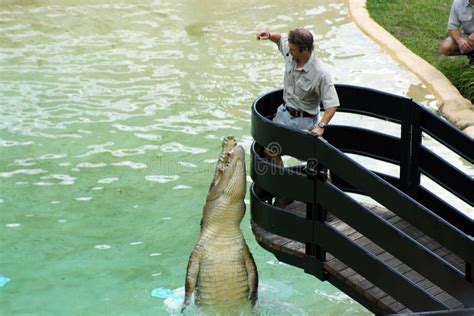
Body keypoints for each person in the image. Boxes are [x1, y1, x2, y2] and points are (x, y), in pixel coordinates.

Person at [256, 28, 340, 208]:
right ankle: (284, 192)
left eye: (293, 49)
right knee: (270, 150)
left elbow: (332, 104)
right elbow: (281, 39)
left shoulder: (321, 73)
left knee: (317, 164)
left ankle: (330, 203)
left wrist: (321, 125)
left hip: (306, 121)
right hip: (284, 115)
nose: (289, 51)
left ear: (305, 49)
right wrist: (269, 35)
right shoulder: (290, 51)